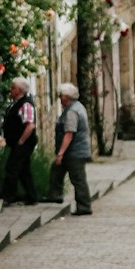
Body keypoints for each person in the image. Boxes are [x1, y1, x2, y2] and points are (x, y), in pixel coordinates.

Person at [48, 83, 93, 216]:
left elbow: (69, 133)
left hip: (75, 152)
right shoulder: (77, 107)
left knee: (78, 179)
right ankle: (55, 195)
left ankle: (84, 206)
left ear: (67, 97)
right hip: (76, 151)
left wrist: (60, 153)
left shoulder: (72, 111)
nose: (60, 99)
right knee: (57, 171)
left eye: (61, 96)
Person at [0, 77, 38, 205]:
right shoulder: (16, 103)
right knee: (23, 169)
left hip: (23, 142)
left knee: (12, 167)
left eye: (13, 87)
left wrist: (21, 141)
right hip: (18, 142)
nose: (11, 90)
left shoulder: (25, 104)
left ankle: (9, 196)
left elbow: (30, 125)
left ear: (19, 90)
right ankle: (31, 196)